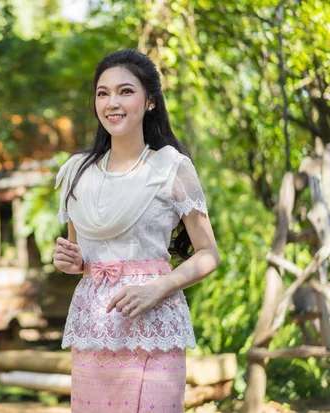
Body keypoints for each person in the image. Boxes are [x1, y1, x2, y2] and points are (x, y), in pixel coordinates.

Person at [52, 49, 220, 412]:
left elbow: (209, 254)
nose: (112, 102)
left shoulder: (172, 167)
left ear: (150, 102)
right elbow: (80, 255)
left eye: (125, 91)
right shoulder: (77, 172)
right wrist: (72, 260)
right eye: (102, 93)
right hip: (95, 328)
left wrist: (158, 288)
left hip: (155, 325)